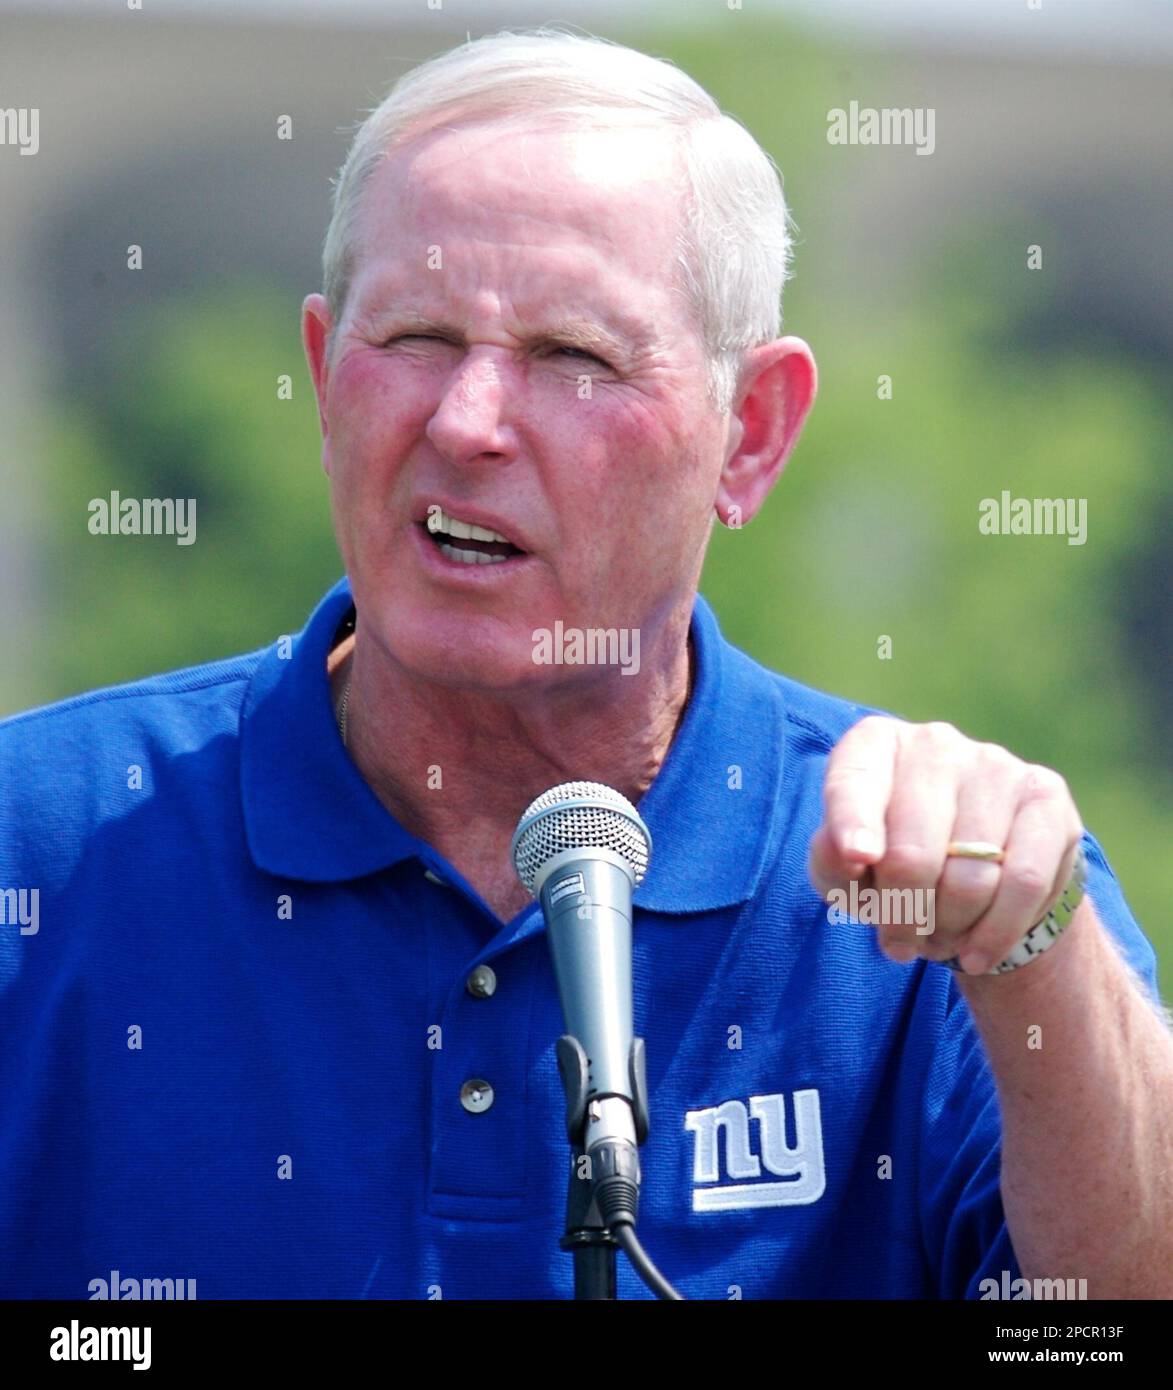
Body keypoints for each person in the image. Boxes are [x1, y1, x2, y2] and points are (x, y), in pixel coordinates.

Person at [1, 27, 1169, 1301]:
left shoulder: (916, 891)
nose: (464, 422)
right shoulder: (45, 837)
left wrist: (1032, 948)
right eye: (414, 339)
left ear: (751, 436)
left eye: (574, 358)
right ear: (326, 376)